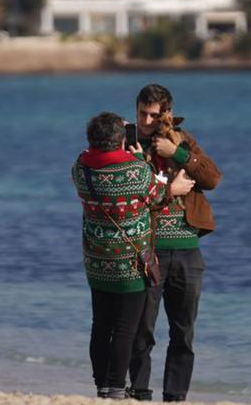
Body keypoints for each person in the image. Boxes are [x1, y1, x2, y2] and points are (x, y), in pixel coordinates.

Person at [72, 111, 193, 400]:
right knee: (125, 327)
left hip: (97, 261)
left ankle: (101, 383)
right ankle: (115, 386)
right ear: (120, 139)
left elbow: (91, 161)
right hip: (130, 261)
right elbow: (156, 195)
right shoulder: (136, 171)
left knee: (100, 324)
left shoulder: (81, 168)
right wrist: (139, 159)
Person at [127, 84, 222, 402]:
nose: (148, 121)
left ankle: (175, 396)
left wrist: (176, 153)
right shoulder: (127, 144)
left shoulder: (183, 139)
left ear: (167, 114)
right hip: (147, 249)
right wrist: (170, 188)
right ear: (136, 110)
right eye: (143, 113)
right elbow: (127, 197)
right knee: (142, 332)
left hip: (187, 251)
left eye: (156, 115)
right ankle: (140, 393)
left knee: (183, 333)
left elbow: (211, 178)